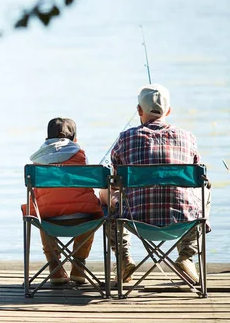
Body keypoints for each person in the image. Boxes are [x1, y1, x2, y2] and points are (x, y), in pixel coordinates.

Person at [99, 84, 210, 283]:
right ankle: (186, 256)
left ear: (139, 110)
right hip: (181, 220)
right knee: (205, 192)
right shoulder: (187, 137)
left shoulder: (125, 138)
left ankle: (123, 258)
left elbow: (115, 182)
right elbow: (198, 179)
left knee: (105, 194)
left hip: (136, 220)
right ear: (168, 111)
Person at [22, 117, 103, 284]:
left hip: (48, 220)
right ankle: (79, 267)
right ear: (74, 139)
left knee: (39, 212)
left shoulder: (36, 160)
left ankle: (55, 268)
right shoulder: (81, 156)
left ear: (46, 139)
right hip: (82, 219)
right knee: (95, 212)